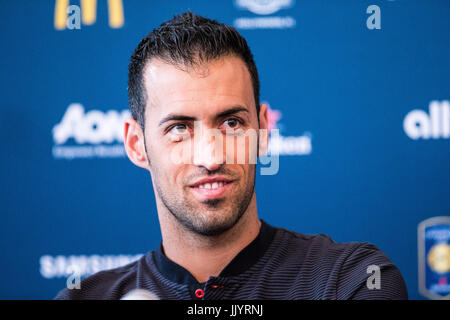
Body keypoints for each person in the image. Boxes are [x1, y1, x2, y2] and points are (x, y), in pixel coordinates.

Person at [55, 11, 408, 300]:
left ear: (263, 129)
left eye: (231, 122)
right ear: (136, 144)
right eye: (179, 128)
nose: (210, 157)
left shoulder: (350, 279)